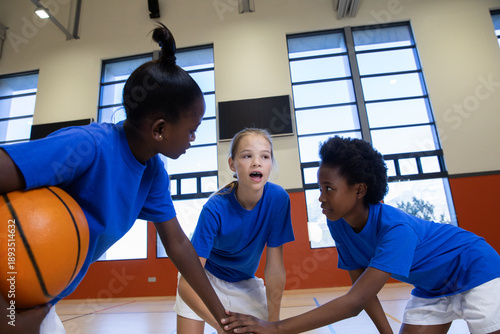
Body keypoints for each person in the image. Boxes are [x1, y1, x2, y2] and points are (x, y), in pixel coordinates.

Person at [0, 24, 234, 334]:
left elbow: (178, 245)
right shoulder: (87, 147)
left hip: (37, 300)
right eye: (192, 129)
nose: (194, 137)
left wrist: (224, 319)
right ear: (160, 129)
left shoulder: (152, 172)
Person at [222, 136, 500, 334]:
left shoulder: (396, 230)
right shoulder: (338, 223)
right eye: (319, 188)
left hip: (476, 271)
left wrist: (276, 328)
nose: (320, 197)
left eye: (328, 188)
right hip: (433, 289)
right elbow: (362, 293)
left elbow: (353, 303)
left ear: (359, 190)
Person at [174, 128, 295, 333]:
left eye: (265, 156)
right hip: (202, 281)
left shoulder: (278, 199)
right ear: (232, 164)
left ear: (270, 163)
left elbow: (274, 269)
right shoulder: (214, 208)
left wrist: (274, 324)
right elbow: (186, 283)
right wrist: (223, 326)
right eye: (247, 156)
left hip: (243, 282)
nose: (257, 162)